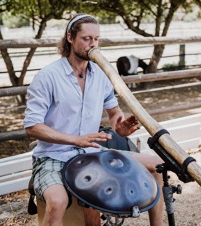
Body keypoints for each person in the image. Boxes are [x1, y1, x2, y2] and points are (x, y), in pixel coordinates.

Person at [24, 13, 164, 226]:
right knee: (58, 201)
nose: (93, 45)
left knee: (157, 165)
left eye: (97, 39)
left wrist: (120, 126)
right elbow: (32, 127)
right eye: (87, 39)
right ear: (70, 38)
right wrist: (75, 140)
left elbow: (114, 112)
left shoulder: (100, 74)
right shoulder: (47, 76)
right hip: (53, 156)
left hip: (91, 154)